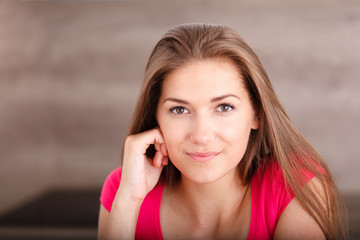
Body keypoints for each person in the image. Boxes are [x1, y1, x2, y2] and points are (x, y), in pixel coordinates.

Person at [98, 23, 347, 240]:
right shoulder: (124, 188)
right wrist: (128, 202)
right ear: (156, 118)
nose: (202, 135)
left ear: (256, 113)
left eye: (224, 107)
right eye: (179, 110)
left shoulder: (295, 183)